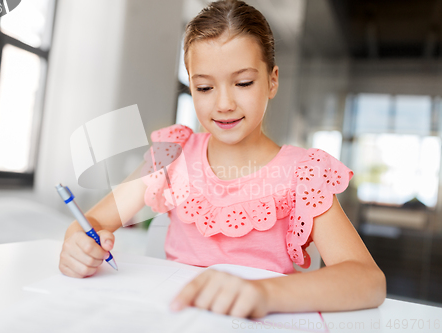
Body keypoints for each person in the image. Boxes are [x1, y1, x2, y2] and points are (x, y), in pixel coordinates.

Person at [59, 0, 386, 318]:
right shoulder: (172, 154)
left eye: (243, 83)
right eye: (204, 88)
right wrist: (79, 248)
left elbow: (368, 281)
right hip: (175, 317)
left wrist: (265, 293)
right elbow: (87, 225)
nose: (224, 103)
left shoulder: (303, 174)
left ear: (272, 80)